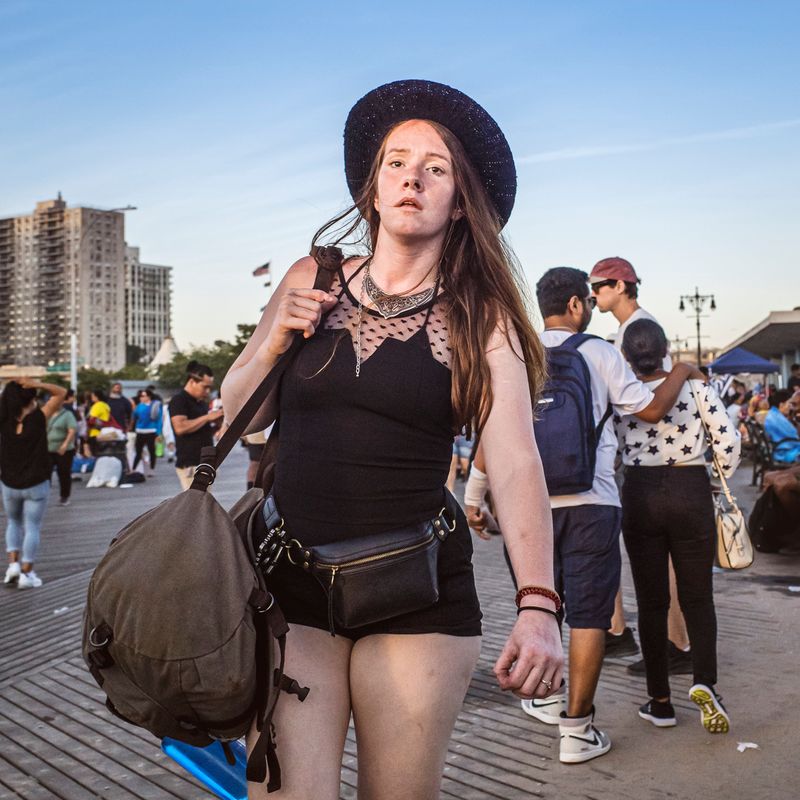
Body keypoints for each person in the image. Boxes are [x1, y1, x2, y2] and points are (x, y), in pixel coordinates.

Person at [221, 79, 562, 797]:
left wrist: (538, 605)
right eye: (396, 162)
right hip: (287, 584)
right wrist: (274, 337)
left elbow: (514, 459)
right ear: (372, 189)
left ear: (458, 198)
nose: (412, 176)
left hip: (417, 593)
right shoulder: (310, 278)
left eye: (435, 167)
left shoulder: (482, 316)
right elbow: (240, 421)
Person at [618, 319, 740, 733]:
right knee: (698, 599)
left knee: (651, 603)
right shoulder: (695, 386)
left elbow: (610, 449)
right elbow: (727, 441)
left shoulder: (623, 392)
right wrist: (716, 475)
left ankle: (660, 701)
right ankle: (705, 683)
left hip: (639, 492)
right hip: (690, 489)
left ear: (628, 357)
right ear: (666, 349)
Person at [590, 256, 692, 671]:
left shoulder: (637, 330)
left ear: (620, 285)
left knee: (660, 560)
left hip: (648, 458)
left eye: (598, 285)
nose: (592, 293)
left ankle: (676, 643)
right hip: (638, 456)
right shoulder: (626, 330)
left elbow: (653, 396)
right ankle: (628, 631)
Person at [1, 378, 67, 588]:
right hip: (36, 483)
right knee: (32, 527)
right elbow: (61, 392)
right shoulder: (39, 418)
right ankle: (27, 574)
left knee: (13, 522)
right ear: (31, 399)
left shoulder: (4, 421)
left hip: (9, 482)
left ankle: (12, 565)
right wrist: (36, 383)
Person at [168, 361, 224, 490]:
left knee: (203, 504)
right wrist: (207, 417)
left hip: (203, 463)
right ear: (192, 381)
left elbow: (201, 426)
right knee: (195, 506)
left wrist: (217, 421)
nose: (208, 391)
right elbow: (180, 428)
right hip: (190, 463)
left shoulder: (201, 403)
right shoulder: (179, 400)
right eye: (205, 387)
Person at [46, 397, 78, 505]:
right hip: (48, 448)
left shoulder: (67, 414)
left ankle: (64, 496)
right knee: (45, 473)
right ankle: (43, 495)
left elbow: (72, 430)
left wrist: (65, 445)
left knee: (63, 472)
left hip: (64, 449)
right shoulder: (47, 414)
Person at [763, 389, 800, 463]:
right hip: (784, 454)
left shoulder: (773, 414)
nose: (790, 407)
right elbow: (794, 435)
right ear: (781, 404)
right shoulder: (777, 418)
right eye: (789, 404)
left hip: (778, 450)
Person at [132, 389, 163, 475]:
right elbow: (134, 417)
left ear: (149, 396)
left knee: (151, 451)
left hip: (151, 431)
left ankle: (151, 469)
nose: (141, 397)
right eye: (140, 396)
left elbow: (159, 420)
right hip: (140, 431)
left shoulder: (155, 405)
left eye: (143, 395)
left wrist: (159, 432)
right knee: (138, 451)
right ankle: (133, 469)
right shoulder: (139, 406)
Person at [86, 388, 112, 454]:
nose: (91, 398)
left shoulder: (96, 406)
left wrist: (87, 433)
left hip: (95, 433)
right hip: (105, 433)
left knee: (95, 455)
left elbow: (91, 420)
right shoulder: (106, 405)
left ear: (97, 397)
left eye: (92, 396)